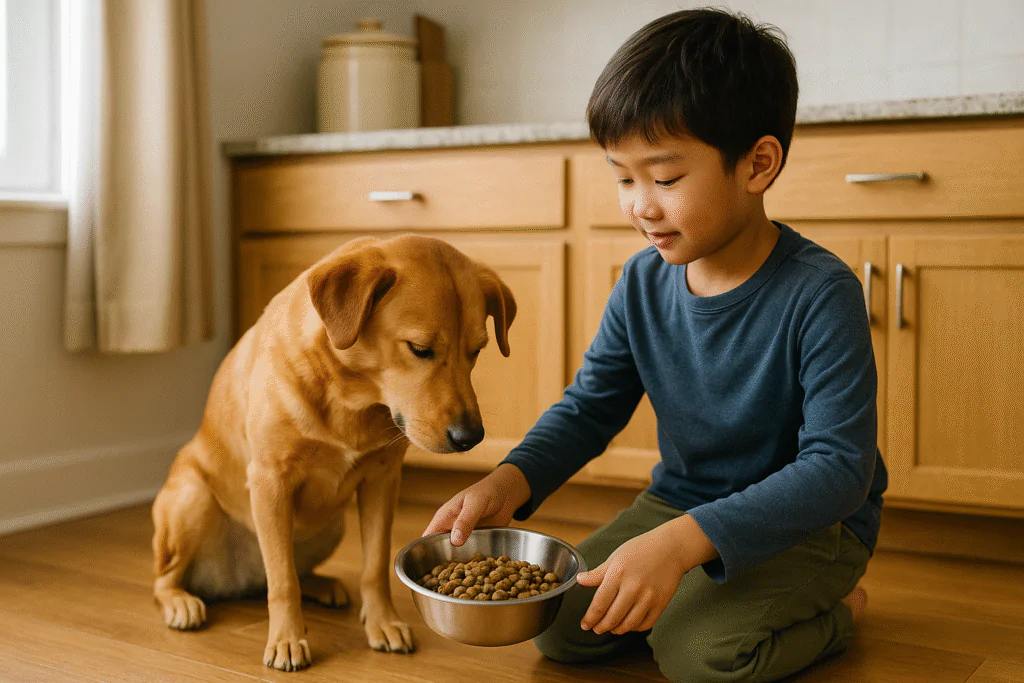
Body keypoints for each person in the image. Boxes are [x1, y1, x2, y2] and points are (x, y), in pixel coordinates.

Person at [423, 8, 886, 682]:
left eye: (665, 179)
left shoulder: (821, 292)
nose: (640, 205)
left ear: (757, 165)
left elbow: (838, 470)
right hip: (680, 502)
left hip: (811, 528)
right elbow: (590, 407)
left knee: (699, 656)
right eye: (623, 177)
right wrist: (510, 481)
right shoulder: (641, 283)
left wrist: (680, 545)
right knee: (558, 626)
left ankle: (839, 611)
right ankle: (696, 595)